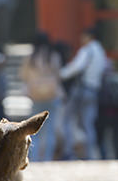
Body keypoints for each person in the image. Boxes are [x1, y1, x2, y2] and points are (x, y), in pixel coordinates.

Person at [59, 28, 107, 160]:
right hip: (94, 90)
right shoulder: (101, 51)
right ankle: (90, 154)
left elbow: (76, 67)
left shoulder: (87, 50)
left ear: (88, 37)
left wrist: (61, 74)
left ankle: (69, 151)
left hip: (81, 89)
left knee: (68, 119)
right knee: (88, 124)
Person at [19, 32, 63, 161]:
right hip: (51, 95)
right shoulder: (53, 56)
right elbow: (58, 75)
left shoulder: (30, 58)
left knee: (34, 128)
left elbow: (23, 75)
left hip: (35, 95)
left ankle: (34, 157)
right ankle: (47, 158)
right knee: (50, 129)